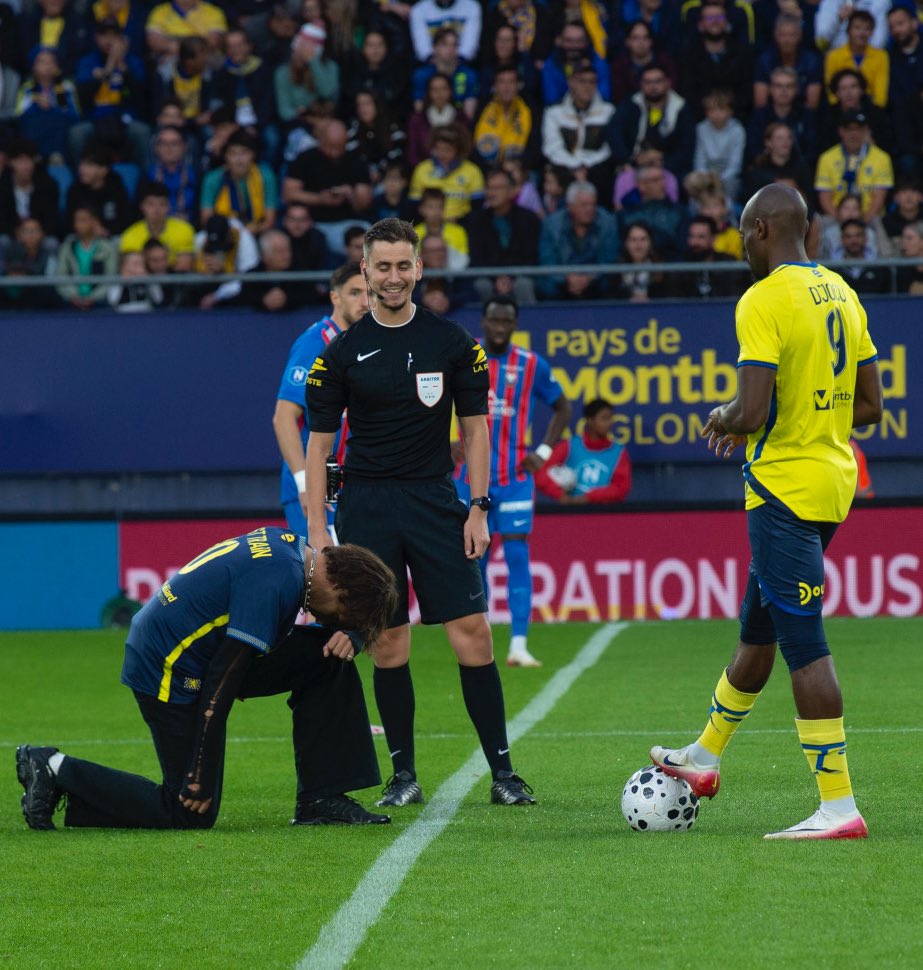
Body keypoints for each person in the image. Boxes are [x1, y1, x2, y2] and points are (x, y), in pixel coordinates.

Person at [650, 182, 884, 839]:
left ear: (759, 231)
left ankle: (837, 806)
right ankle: (703, 756)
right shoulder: (840, 291)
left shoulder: (762, 299)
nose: (739, 249)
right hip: (829, 482)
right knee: (759, 630)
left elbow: (749, 413)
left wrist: (725, 415)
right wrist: (804, 414)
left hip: (780, 489)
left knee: (803, 644)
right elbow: (869, 407)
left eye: (740, 236)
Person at [304, 218, 535, 808]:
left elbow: (478, 432)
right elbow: (318, 450)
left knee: (474, 636)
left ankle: (504, 775)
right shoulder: (340, 356)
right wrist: (317, 537)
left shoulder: (453, 343)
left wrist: (479, 508)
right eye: (381, 267)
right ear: (365, 272)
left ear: (420, 269)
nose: (393, 277)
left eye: (403, 266)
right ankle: (402, 776)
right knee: (388, 642)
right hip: (367, 510)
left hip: (436, 502)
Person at [16, 530, 399, 831]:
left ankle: (322, 799)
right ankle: (53, 767)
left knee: (328, 659)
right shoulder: (274, 582)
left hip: (201, 651)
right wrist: (199, 769)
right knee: (189, 809)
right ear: (343, 592)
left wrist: (354, 636)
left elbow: (236, 658)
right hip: (169, 666)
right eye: (344, 617)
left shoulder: (294, 552)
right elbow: (222, 681)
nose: (333, 623)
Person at [453, 296, 571, 667]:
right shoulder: (463, 356)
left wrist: (545, 453)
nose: (500, 327)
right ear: (484, 323)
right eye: (494, 321)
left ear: (515, 324)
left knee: (518, 554)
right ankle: (483, 638)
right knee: (476, 558)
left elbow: (562, 406)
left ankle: (519, 644)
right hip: (472, 478)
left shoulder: (531, 364)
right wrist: (447, 441)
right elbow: (435, 398)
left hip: (516, 475)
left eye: (507, 321)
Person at [272, 263, 368, 536]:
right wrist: (304, 483)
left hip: (354, 481)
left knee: (358, 574)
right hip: (318, 483)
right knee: (326, 573)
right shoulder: (315, 343)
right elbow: (283, 418)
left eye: (369, 293)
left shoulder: (366, 344)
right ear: (335, 297)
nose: (365, 302)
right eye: (355, 293)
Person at [534, 398, 632, 504]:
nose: (609, 423)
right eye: (604, 418)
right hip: (571, 513)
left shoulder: (618, 452)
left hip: (604, 513)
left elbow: (621, 488)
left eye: (610, 418)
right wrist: (560, 495)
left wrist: (589, 498)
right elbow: (540, 474)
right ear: (590, 420)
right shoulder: (569, 446)